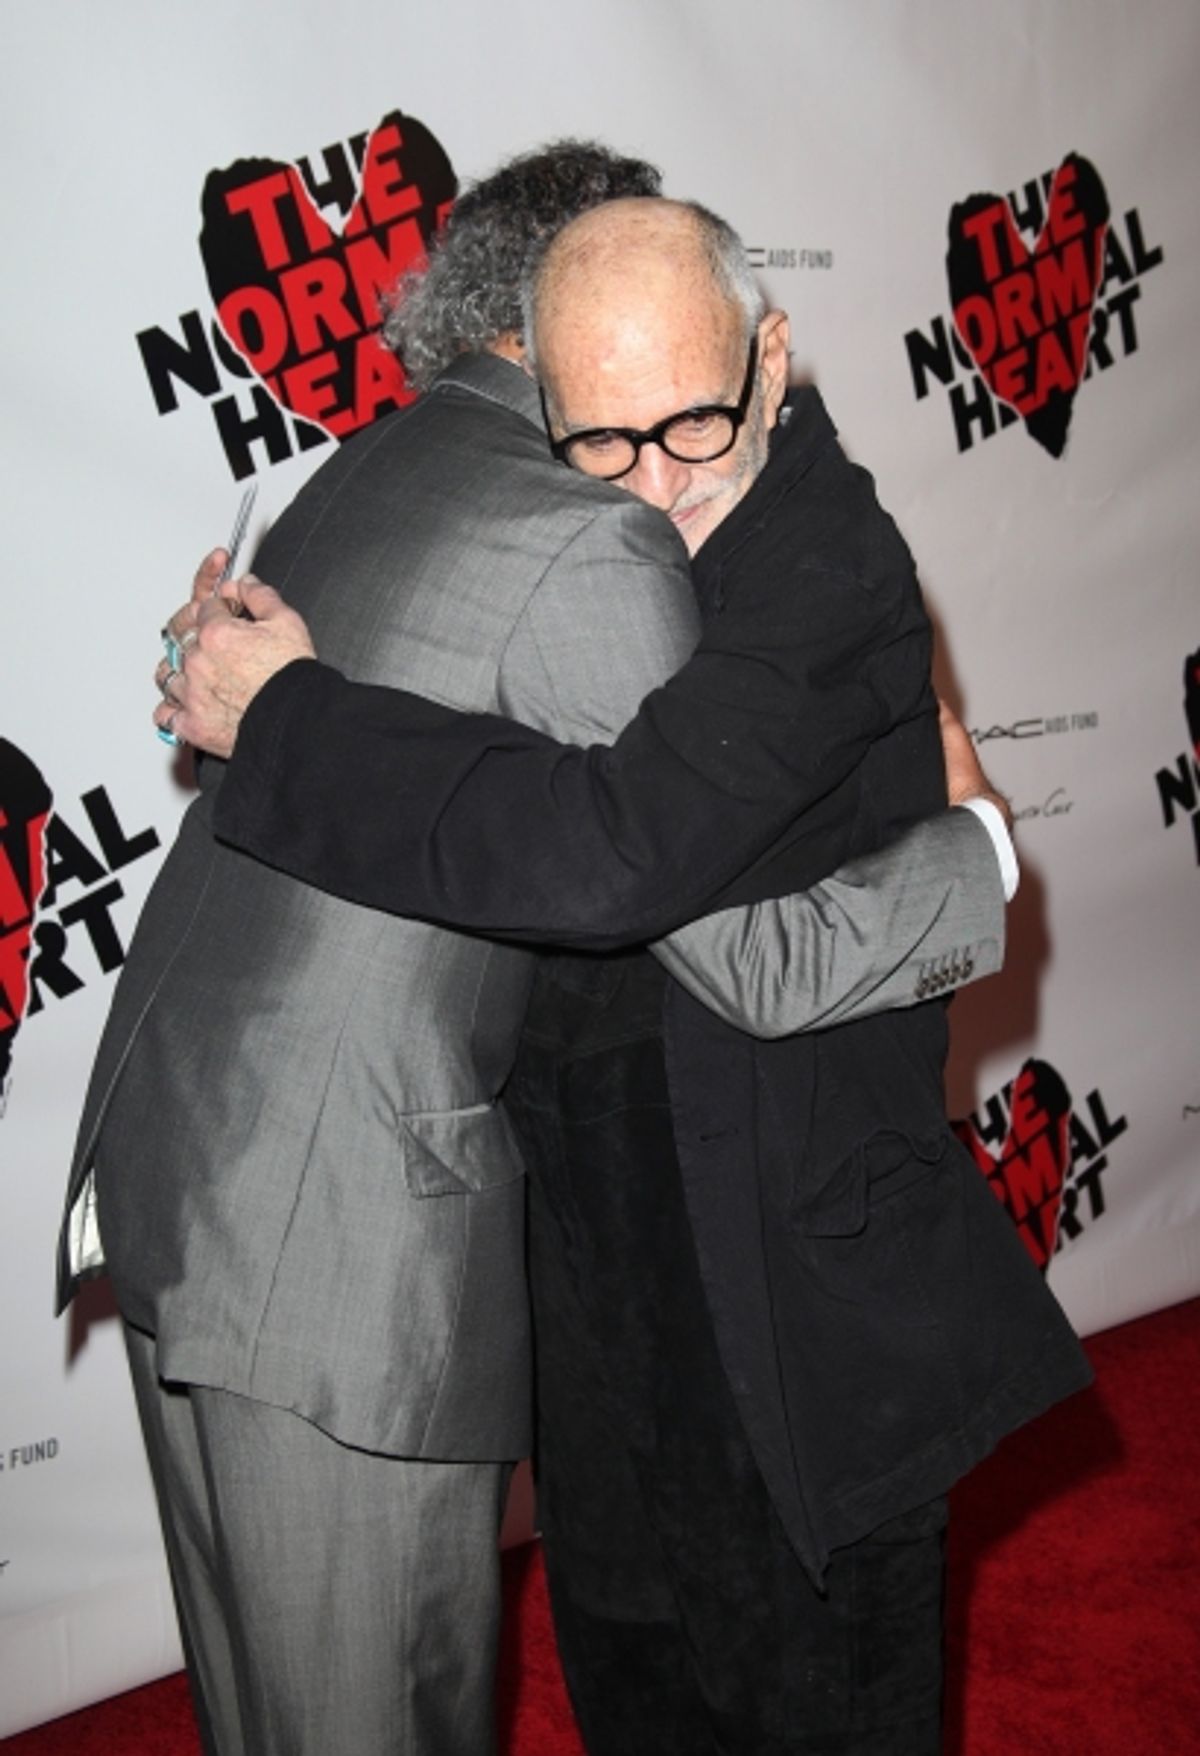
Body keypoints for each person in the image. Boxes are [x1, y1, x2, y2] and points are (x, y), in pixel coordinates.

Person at [57, 149, 1013, 1756]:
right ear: (542, 350)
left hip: (186, 1173)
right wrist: (978, 861)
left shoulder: (363, 467)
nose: (649, 479)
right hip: (333, 1255)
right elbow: (693, 913)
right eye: (608, 425)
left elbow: (525, 815)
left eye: (688, 420)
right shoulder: (588, 538)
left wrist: (272, 707)